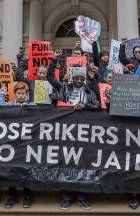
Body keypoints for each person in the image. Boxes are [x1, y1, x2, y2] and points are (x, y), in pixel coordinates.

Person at [47, 49, 99, 210]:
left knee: (83, 164)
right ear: (71, 78)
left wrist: (86, 106)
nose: (78, 80)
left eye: (80, 78)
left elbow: (97, 106)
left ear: (84, 80)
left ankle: (82, 196)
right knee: (66, 163)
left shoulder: (90, 92)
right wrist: (54, 60)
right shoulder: (63, 88)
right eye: (75, 78)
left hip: (84, 133)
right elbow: (49, 77)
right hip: (66, 132)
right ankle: (66, 196)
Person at [0, 83, 34, 209]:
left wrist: (29, 108)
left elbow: (41, 113)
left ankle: (27, 194)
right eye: (18, 93)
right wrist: (2, 94)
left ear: (27, 94)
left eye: (23, 93)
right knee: (12, 168)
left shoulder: (31, 105)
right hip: (13, 143)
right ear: (15, 94)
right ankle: (11, 194)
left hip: (27, 143)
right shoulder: (10, 105)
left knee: (26, 168)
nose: (21, 95)